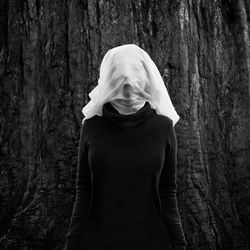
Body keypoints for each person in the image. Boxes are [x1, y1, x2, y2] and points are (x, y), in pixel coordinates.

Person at [64, 44, 187, 250]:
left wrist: (179, 244)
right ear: (110, 79)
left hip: (151, 241)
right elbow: (83, 191)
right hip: (98, 242)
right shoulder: (92, 126)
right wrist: (71, 244)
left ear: (145, 78)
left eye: (134, 77)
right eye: (121, 78)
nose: (128, 84)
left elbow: (167, 192)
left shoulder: (163, 127)